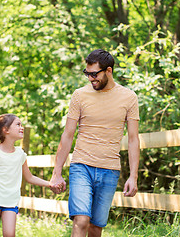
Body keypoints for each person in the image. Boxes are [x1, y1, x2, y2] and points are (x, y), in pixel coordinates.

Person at [49, 49, 140, 237]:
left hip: (110, 169)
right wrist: (57, 172)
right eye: (87, 74)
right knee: (81, 220)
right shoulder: (79, 95)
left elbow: (133, 140)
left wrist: (134, 176)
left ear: (108, 71)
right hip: (81, 166)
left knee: (95, 228)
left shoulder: (129, 97)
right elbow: (67, 135)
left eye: (94, 74)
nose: (90, 79)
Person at [0, 114, 52, 237]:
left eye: (21, 125)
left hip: (11, 200)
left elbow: (29, 177)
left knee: (10, 234)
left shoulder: (20, 154)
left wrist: (49, 184)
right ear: (6, 130)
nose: (21, 127)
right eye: (18, 124)